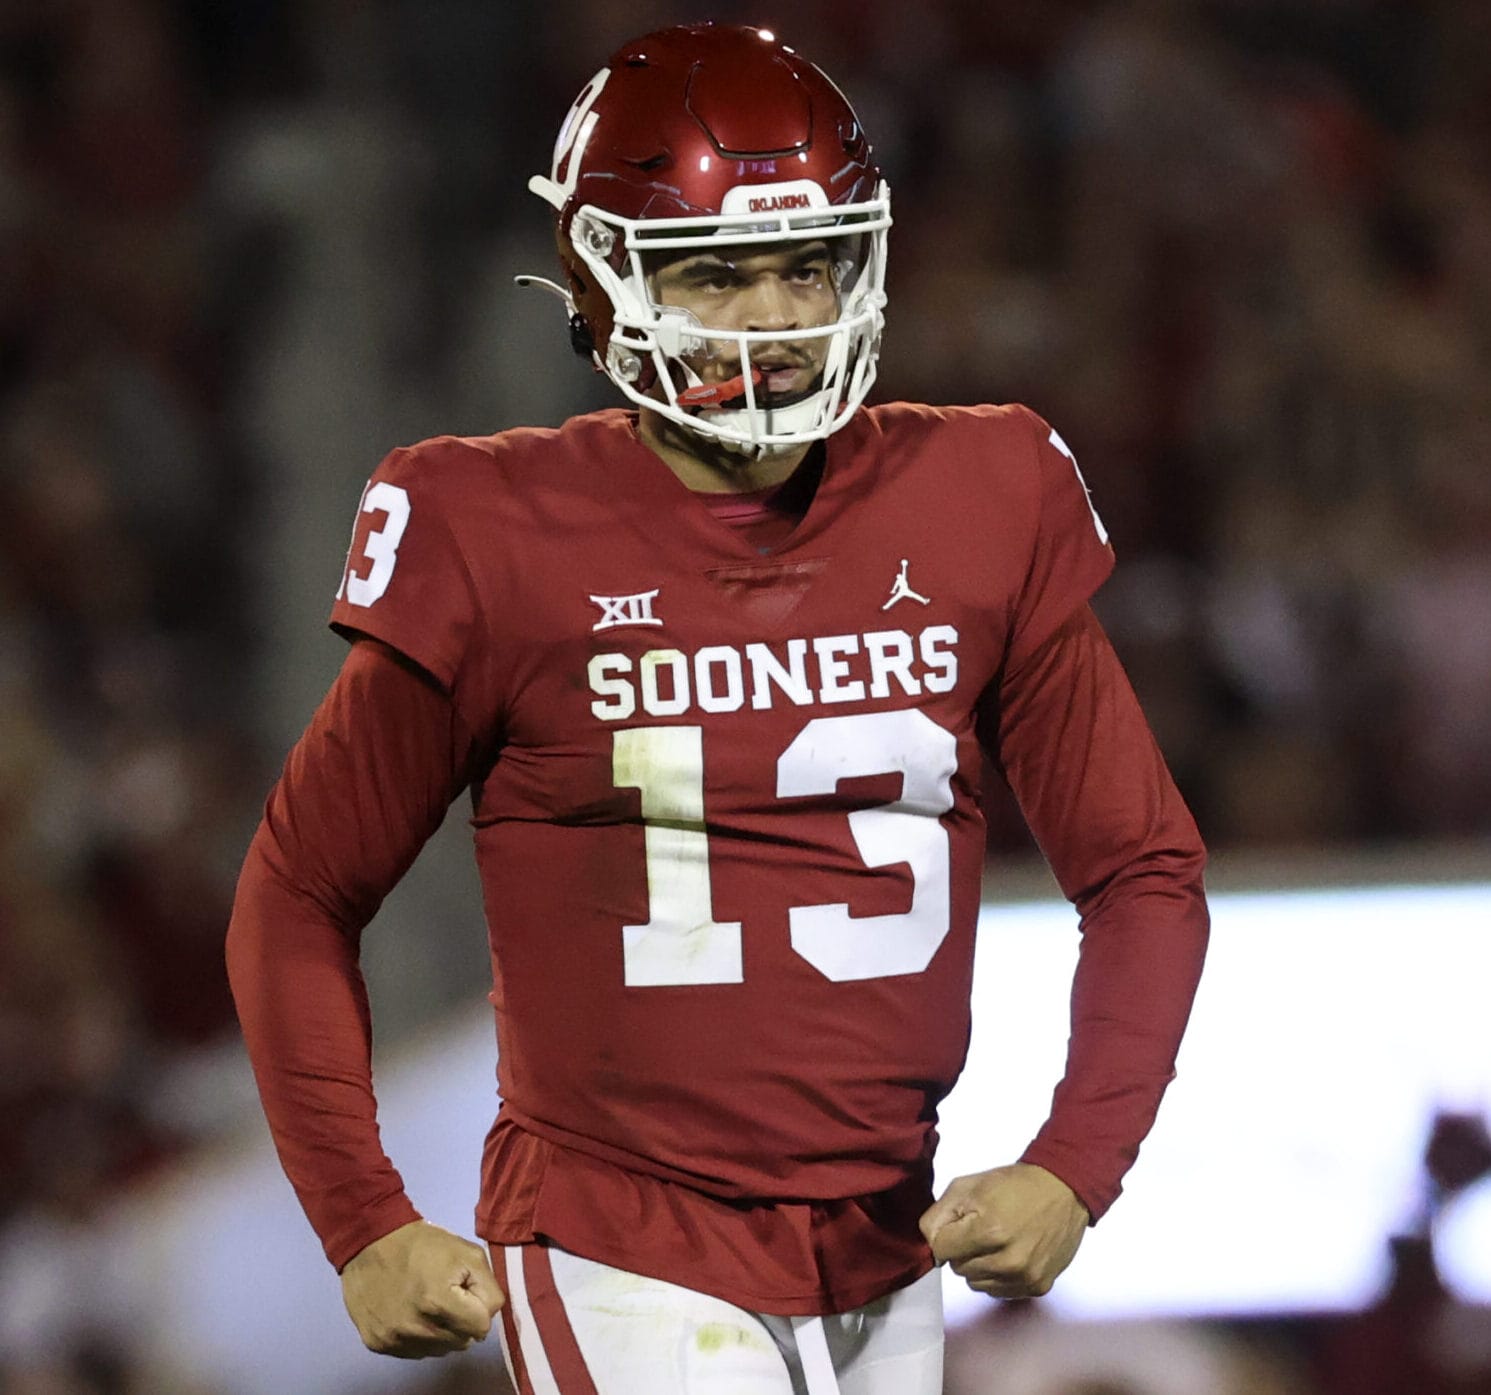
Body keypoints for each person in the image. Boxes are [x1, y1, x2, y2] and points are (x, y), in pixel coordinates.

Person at [226, 22, 1209, 1395]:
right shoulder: (491, 527)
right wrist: (360, 1218)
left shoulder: (987, 493)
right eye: (720, 274)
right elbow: (299, 889)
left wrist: (1076, 1163)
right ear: (603, 277)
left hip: (887, 1243)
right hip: (623, 1234)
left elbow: (1143, 868)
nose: (778, 319)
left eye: (807, 265)